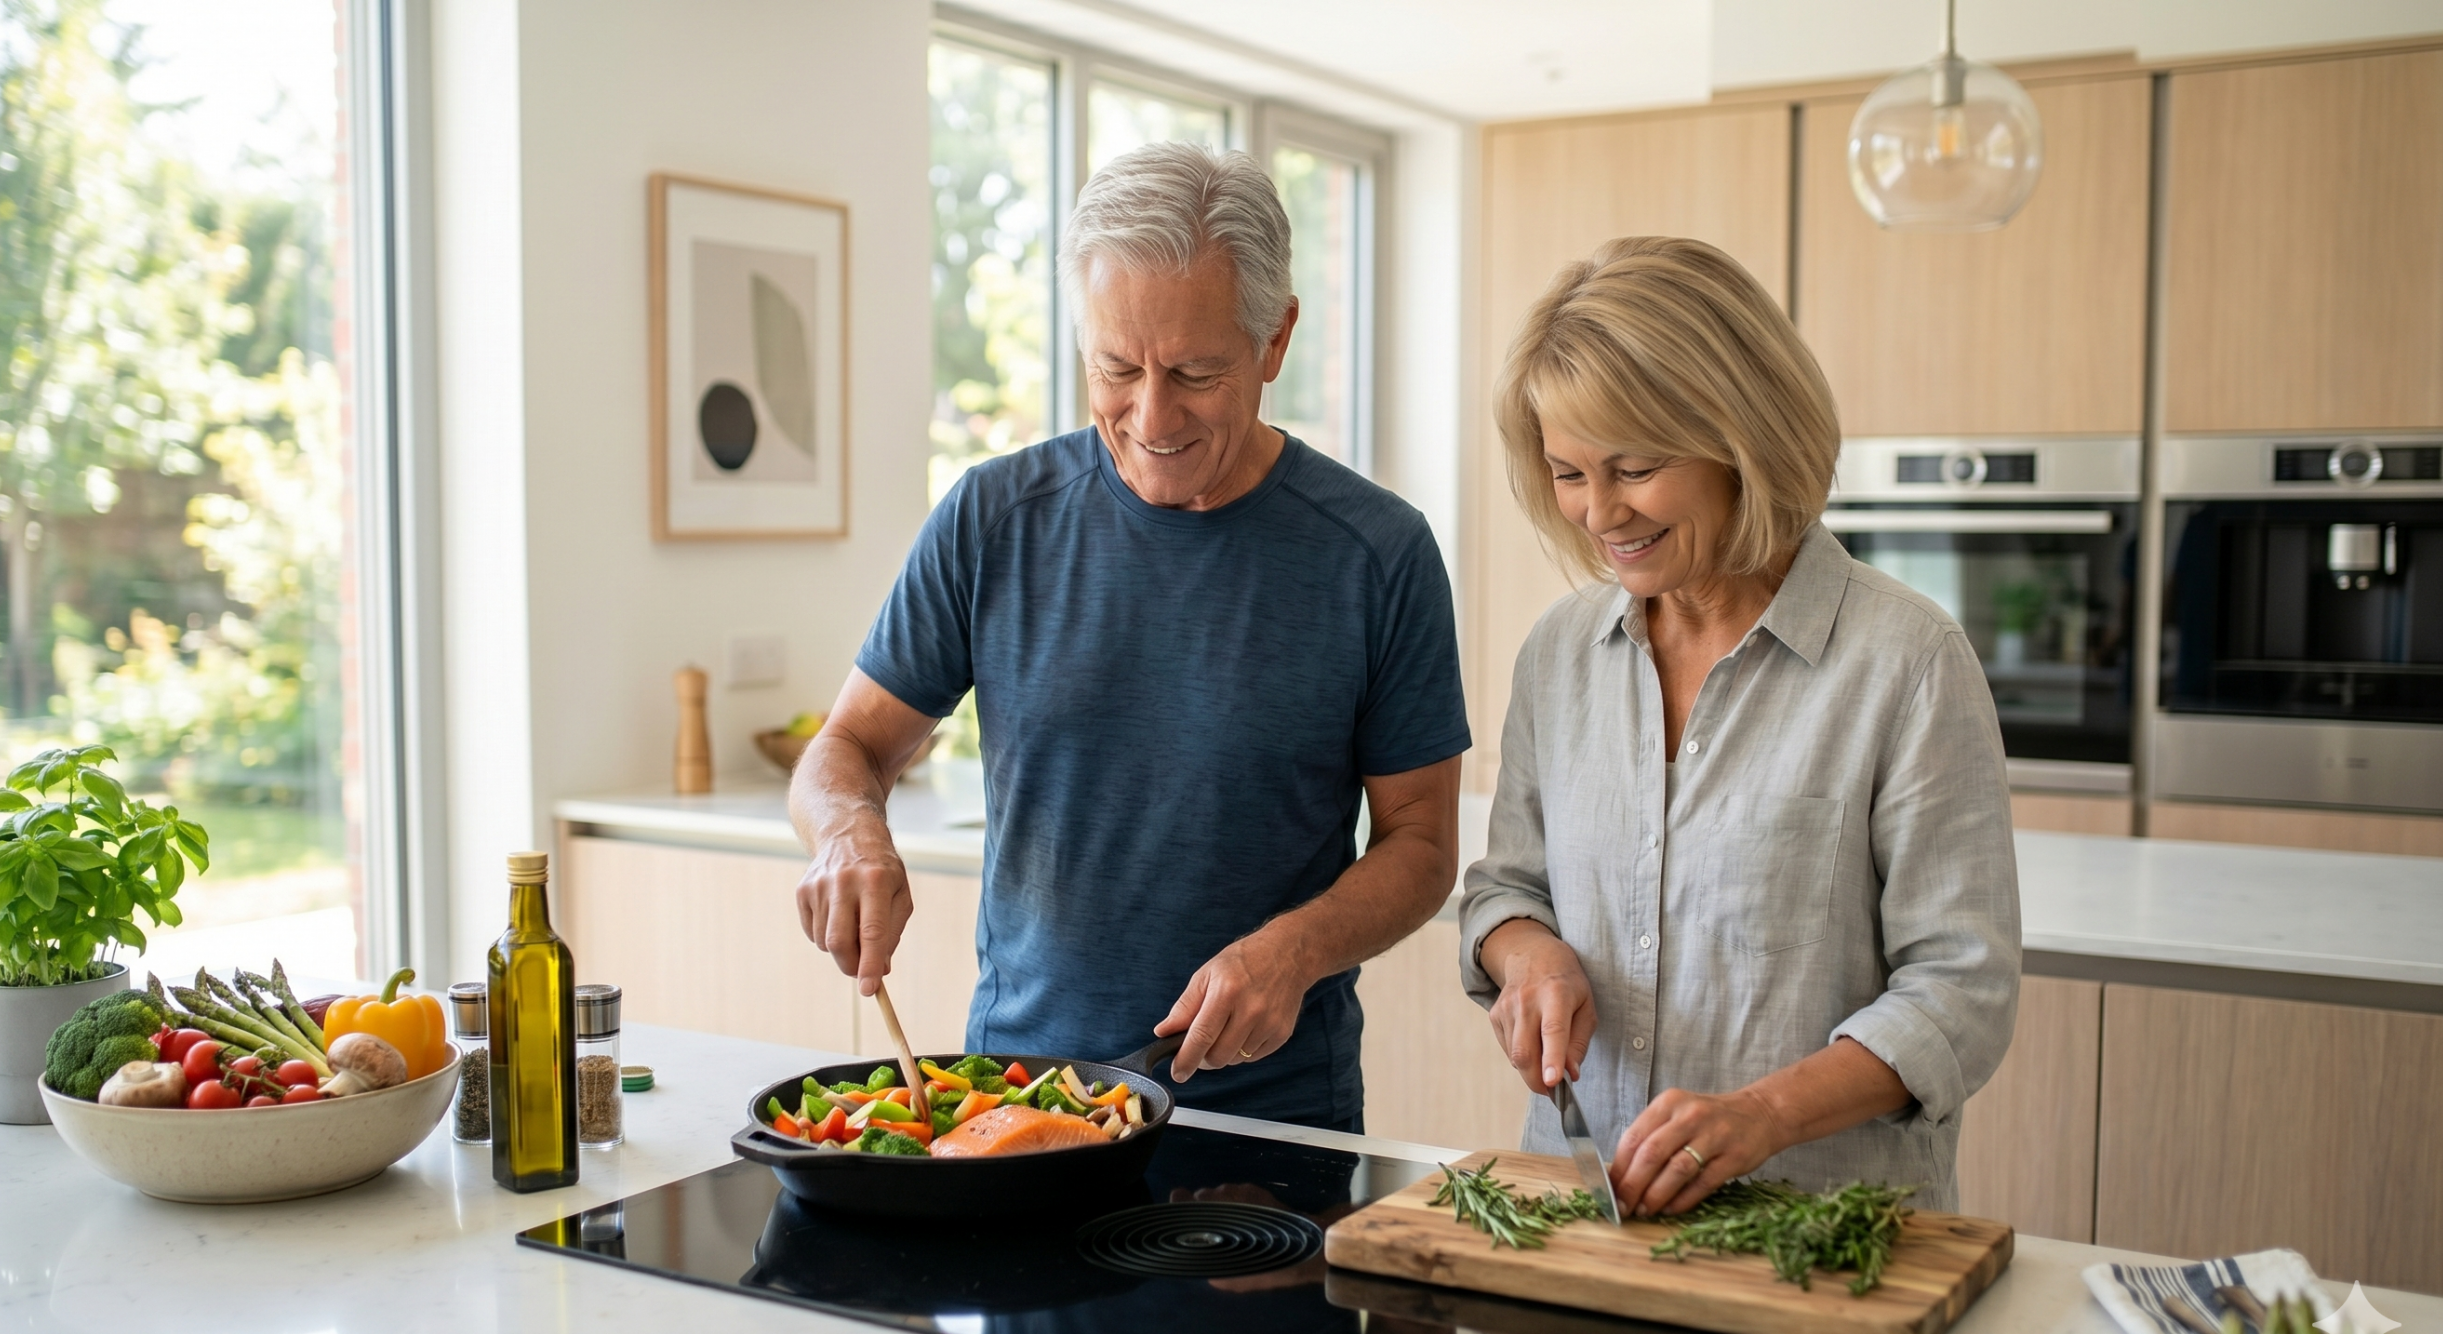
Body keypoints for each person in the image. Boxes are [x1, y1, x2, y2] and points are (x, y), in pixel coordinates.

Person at [791, 142, 1469, 1131]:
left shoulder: (1378, 553)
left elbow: (1422, 842)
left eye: (1194, 371)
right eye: (1116, 367)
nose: (1150, 415)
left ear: (1273, 342)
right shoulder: (992, 517)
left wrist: (1295, 947)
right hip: (1014, 1101)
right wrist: (849, 831)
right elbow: (842, 749)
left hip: (1269, 1119)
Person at [1460, 235, 2020, 1214]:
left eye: (1633, 467)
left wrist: (1762, 1113)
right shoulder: (1560, 653)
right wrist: (1529, 953)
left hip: (1816, 1231)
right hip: (1581, 1209)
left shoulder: (1907, 662)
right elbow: (1505, 886)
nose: (1599, 513)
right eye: (1568, 472)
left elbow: (1959, 992)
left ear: (1740, 438)